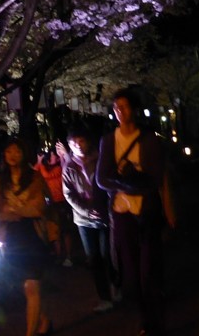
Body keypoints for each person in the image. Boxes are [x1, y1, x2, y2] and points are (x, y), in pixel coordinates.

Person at [96, 87, 170, 336]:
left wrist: (128, 181)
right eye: (117, 108)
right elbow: (101, 179)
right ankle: (143, 317)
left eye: (125, 106)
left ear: (135, 109)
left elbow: (155, 178)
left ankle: (152, 321)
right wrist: (126, 183)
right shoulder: (108, 140)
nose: (120, 112)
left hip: (147, 211)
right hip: (121, 211)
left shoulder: (149, 139)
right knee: (130, 269)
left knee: (148, 269)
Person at [0, 138, 53, 336]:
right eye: (8, 151)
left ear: (24, 153)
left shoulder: (35, 178)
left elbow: (40, 206)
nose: (12, 155)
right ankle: (44, 320)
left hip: (33, 235)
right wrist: (13, 212)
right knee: (24, 287)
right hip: (11, 238)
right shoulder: (1, 181)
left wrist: (15, 210)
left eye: (16, 151)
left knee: (31, 286)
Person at [62, 121, 119, 314]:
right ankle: (104, 297)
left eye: (81, 141)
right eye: (73, 142)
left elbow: (111, 185)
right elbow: (69, 194)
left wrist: (104, 208)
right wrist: (87, 211)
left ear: (87, 142)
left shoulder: (101, 160)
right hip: (84, 220)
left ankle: (116, 286)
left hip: (104, 215)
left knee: (108, 256)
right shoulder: (69, 167)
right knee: (93, 258)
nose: (78, 145)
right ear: (69, 145)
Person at [35, 147, 74, 266]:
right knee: (54, 231)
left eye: (54, 155)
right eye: (51, 155)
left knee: (64, 230)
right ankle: (58, 256)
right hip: (51, 204)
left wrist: (41, 163)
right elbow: (34, 172)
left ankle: (68, 256)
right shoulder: (45, 168)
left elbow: (46, 175)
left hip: (61, 203)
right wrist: (39, 161)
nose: (52, 156)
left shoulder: (58, 169)